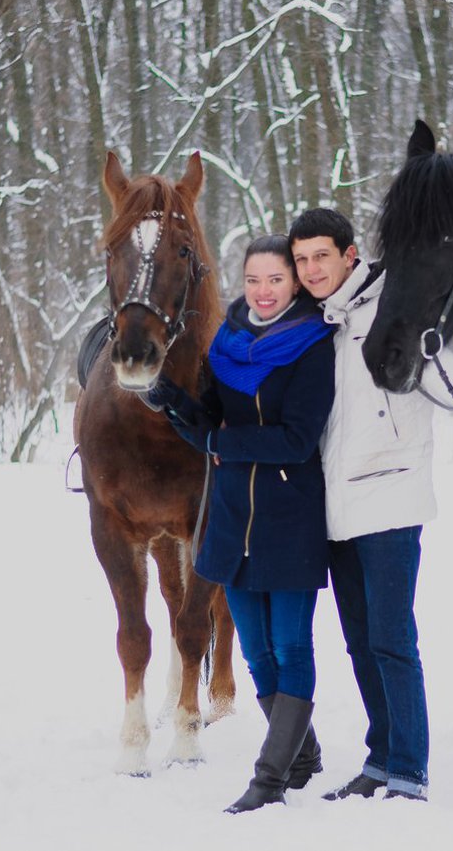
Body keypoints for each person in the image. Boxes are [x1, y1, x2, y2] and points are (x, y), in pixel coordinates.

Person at [290, 207, 453, 803]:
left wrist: (427, 348)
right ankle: (380, 758)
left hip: (391, 499)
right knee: (359, 640)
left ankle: (410, 771)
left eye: (322, 255)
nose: (311, 269)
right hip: (336, 507)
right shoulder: (319, 322)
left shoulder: (394, 306)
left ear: (349, 255)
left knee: (393, 638)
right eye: (301, 260)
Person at [150, 234, 335, 814]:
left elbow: (298, 439)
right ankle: (302, 756)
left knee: (290, 646)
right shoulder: (226, 344)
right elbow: (208, 425)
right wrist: (174, 404)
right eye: (253, 280)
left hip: (289, 519)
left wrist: (222, 440)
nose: (263, 291)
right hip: (231, 522)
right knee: (256, 653)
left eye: (276, 280)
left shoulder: (313, 346)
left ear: (295, 284)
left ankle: (268, 778)